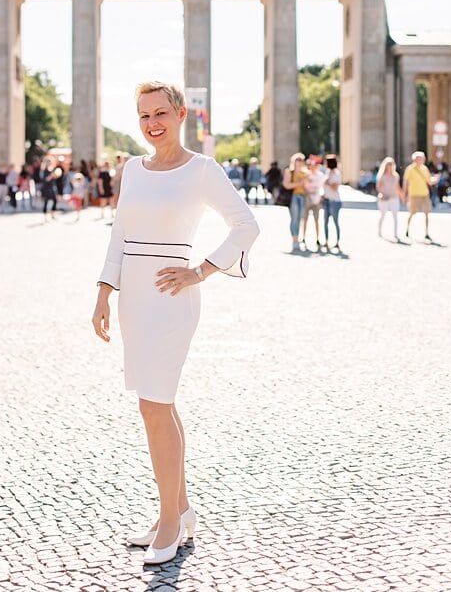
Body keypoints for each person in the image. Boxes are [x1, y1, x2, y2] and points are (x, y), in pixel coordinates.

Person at [91, 81, 259, 566]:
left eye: (160, 113)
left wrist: (201, 271)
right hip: (133, 301)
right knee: (156, 405)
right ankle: (181, 510)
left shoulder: (202, 170)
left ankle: (169, 521)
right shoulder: (131, 169)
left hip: (171, 298)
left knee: (154, 405)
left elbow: (246, 225)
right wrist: (104, 292)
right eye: (143, 116)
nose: (152, 124)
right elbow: (120, 233)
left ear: (181, 114)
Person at [402, 151, 437, 242]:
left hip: (424, 194)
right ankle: (407, 229)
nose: (423, 160)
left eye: (423, 158)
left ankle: (426, 233)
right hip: (414, 194)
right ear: (415, 159)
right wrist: (404, 195)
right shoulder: (410, 169)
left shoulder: (425, 169)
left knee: (427, 213)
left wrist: (436, 179)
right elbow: (406, 183)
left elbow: (429, 181)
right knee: (412, 213)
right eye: (421, 158)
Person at [282, 153, 309, 253]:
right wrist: (299, 183)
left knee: (300, 218)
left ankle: (298, 239)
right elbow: (286, 185)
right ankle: (295, 240)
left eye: (301, 159)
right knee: (294, 218)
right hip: (293, 197)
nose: (299, 161)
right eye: (297, 159)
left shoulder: (305, 172)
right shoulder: (289, 171)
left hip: (303, 196)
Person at [376, 157, 404, 241]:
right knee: (382, 215)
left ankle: (395, 234)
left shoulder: (396, 176)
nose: (390, 167)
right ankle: (379, 231)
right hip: (384, 198)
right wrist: (383, 194)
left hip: (394, 198)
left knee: (395, 216)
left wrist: (402, 196)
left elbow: (397, 187)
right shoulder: (382, 176)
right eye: (388, 165)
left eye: (391, 165)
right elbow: (378, 187)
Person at [302, 157, 326, 252]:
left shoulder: (320, 175)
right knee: (305, 219)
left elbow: (322, 187)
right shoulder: (306, 175)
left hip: (316, 199)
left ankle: (317, 239)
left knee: (317, 220)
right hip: (307, 198)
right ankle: (303, 237)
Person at [321, 154, 343, 253]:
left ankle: (337, 241)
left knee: (335, 222)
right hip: (326, 200)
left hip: (334, 201)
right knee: (325, 222)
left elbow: (335, 187)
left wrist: (327, 182)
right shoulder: (327, 172)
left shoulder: (337, 174)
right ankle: (326, 241)